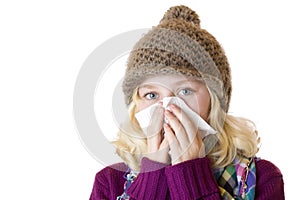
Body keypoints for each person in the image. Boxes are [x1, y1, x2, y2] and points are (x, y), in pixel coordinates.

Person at [90, 5, 285, 200]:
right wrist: (152, 176)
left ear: (215, 101)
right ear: (136, 103)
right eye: (151, 95)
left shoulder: (263, 179)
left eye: (185, 91)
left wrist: (191, 175)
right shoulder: (109, 183)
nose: (167, 106)